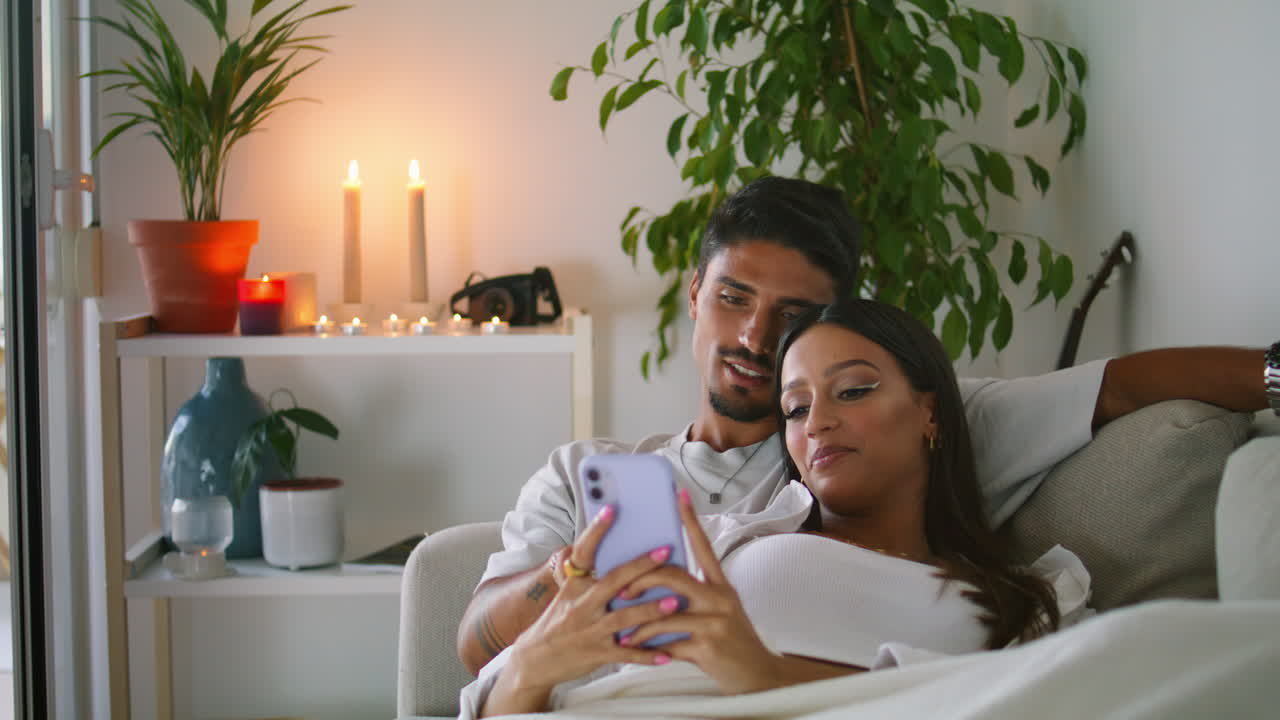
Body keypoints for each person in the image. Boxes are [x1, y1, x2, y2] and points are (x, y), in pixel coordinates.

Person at [457, 176, 1269, 676]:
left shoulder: (882, 429)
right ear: (696, 292)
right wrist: (575, 574)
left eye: (793, 314)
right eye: (735, 297)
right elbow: (474, 645)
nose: (753, 338)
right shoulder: (588, 472)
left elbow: (1124, 388)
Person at [465, 298, 1082, 717]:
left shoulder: (1023, 600)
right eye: (794, 408)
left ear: (932, 411)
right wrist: (533, 666)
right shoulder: (726, 540)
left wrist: (759, 674)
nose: (818, 423)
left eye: (853, 390)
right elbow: (491, 700)